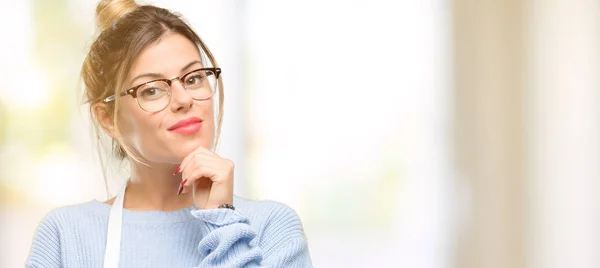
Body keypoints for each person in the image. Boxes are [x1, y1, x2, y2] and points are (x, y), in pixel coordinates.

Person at [25, 0, 312, 267]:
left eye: (193, 78)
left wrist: (223, 220)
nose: (183, 99)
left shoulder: (271, 228)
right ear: (108, 119)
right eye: (152, 89)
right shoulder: (64, 236)